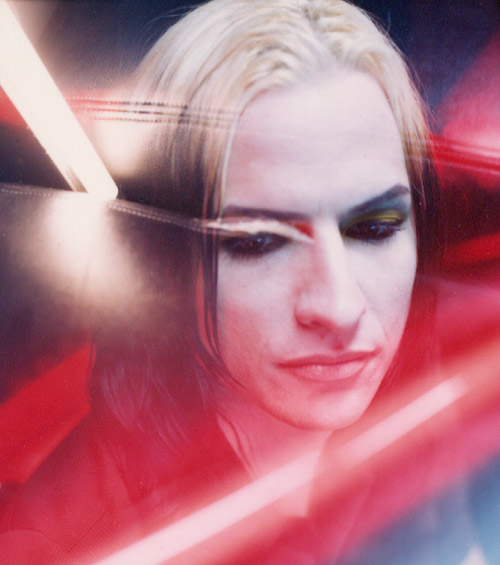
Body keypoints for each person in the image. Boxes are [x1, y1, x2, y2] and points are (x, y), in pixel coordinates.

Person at [1, 1, 447, 563]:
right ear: (164, 263)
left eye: (375, 228)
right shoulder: (61, 545)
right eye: (258, 242)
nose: (339, 306)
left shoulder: (444, 428)